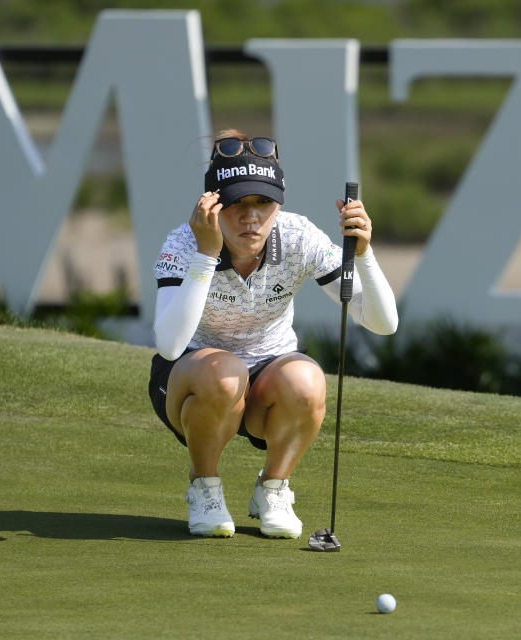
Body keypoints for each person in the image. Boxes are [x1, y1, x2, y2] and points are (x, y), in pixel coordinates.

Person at [148, 129, 398, 539]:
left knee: (308, 379)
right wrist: (207, 254)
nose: (251, 216)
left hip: (267, 380)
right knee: (225, 373)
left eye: (263, 202)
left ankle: (273, 488)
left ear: (278, 203)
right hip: (192, 383)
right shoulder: (183, 243)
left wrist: (364, 253)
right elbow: (170, 344)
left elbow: (384, 322)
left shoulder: (299, 237)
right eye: (236, 203)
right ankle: (204, 487)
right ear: (212, 206)